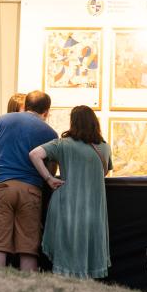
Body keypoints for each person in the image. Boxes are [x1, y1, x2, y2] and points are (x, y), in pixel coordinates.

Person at [29, 105, 112, 279]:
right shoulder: (104, 147)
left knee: (66, 247)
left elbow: (34, 154)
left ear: (73, 122)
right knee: (88, 248)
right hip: (94, 208)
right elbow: (104, 171)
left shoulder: (62, 144)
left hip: (67, 205)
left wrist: (49, 178)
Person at [0, 90, 58, 271]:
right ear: (46, 111)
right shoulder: (50, 133)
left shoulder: (2, 120)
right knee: (28, 247)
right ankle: (27, 291)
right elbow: (51, 168)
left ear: (26, 104)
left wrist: (3, 160)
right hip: (31, 189)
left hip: (1, 186)